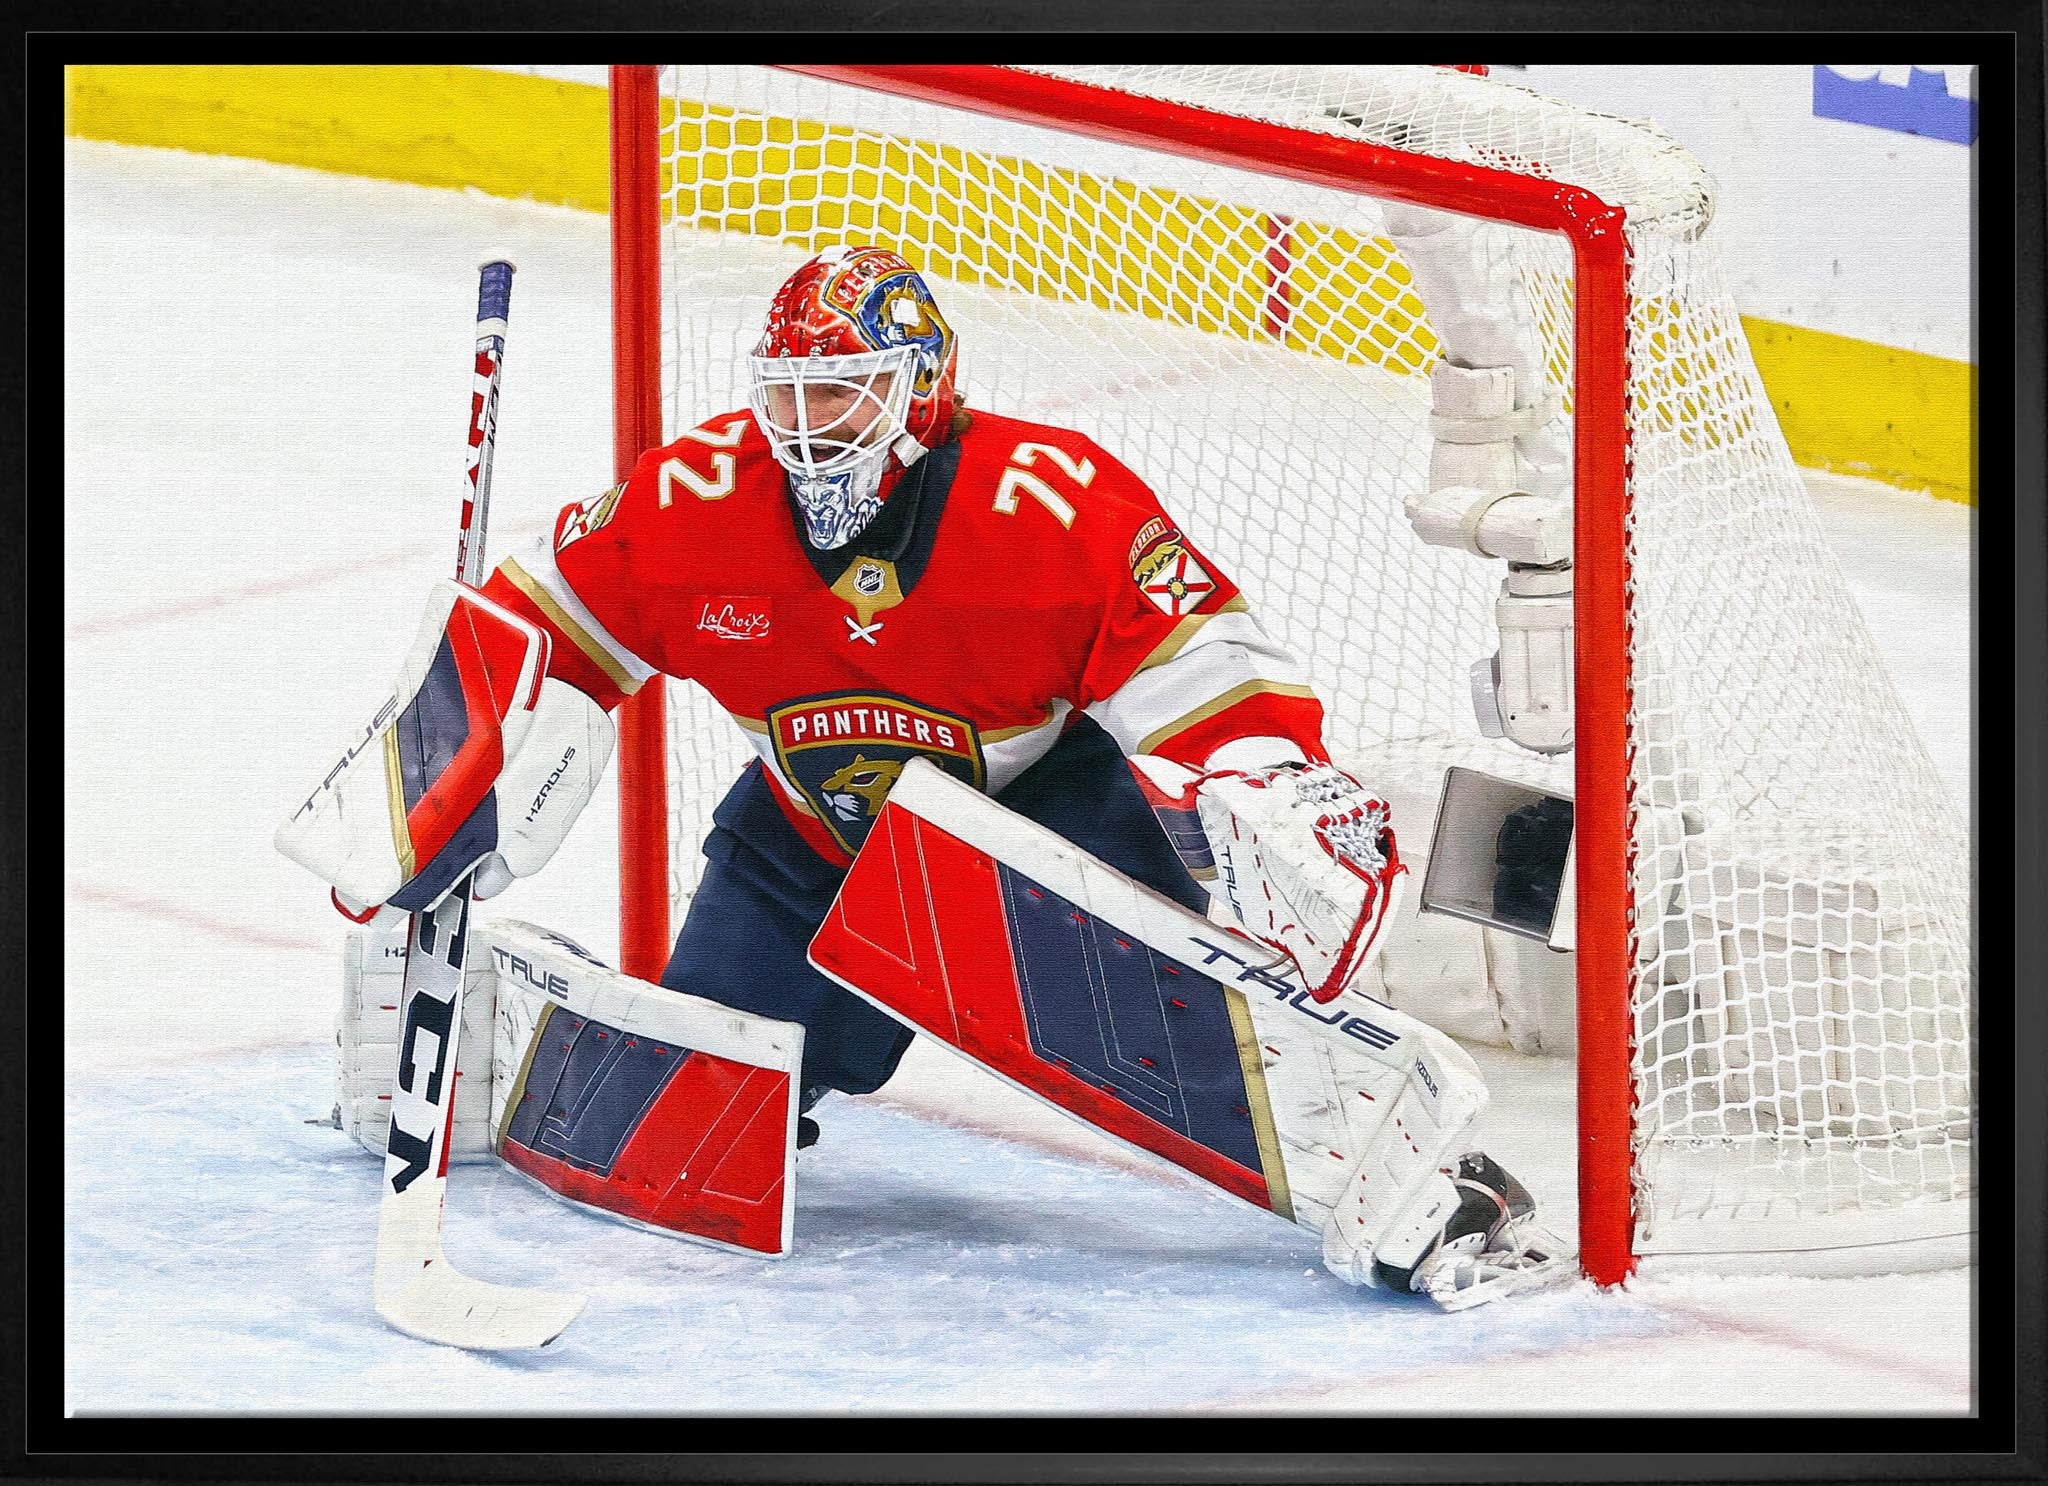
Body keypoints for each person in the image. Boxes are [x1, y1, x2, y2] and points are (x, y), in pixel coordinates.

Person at [283, 245, 1548, 1299]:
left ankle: (1420, 1180)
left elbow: (1196, 661)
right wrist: (434, 780)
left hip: (1039, 823)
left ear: (923, 387)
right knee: (686, 1116)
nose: (804, 429)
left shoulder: (1045, 504)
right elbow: (537, 628)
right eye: (787, 397)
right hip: (808, 843)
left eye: (841, 395)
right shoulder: (697, 498)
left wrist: (1262, 770)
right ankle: (468, 1039)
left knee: (1185, 1032)